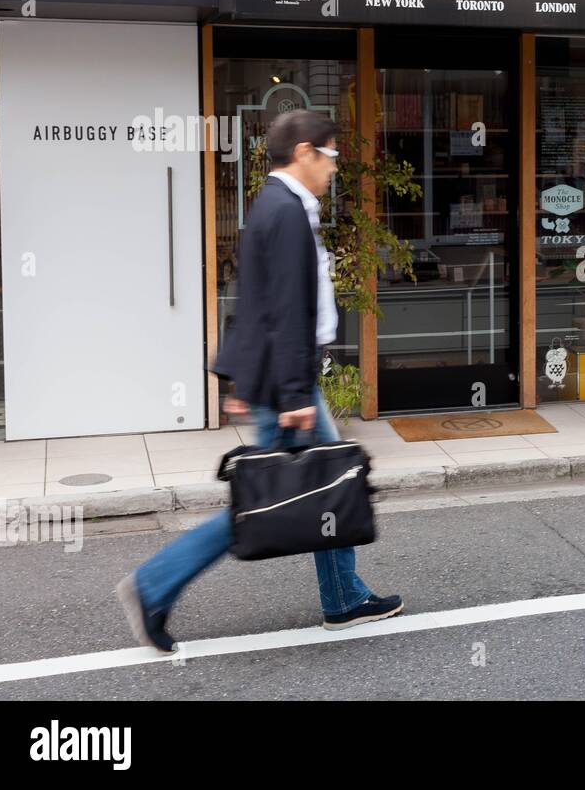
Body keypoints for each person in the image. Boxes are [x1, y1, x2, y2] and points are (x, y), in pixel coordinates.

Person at [116, 110, 402, 654]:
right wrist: (292, 394)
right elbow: (287, 311)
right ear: (304, 154)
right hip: (286, 385)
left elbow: (257, 304)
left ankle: (344, 597)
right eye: (331, 156)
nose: (335, 168)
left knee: (326, 481)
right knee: (273, 498)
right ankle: (152, 585)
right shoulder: (287, 211)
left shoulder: (273, 206)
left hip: (276, 379)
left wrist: (241, 379)